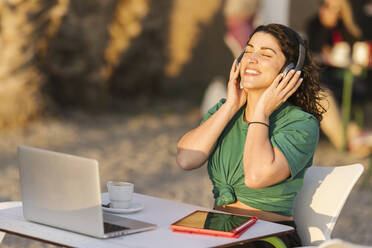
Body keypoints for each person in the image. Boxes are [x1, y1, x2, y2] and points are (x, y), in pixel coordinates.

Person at [177, 24, 325, 247]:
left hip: (267, 238)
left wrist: (262, 112)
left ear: (288, 72)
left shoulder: (301, 123)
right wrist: (230, 106)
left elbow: (256, 177)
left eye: (266, 54)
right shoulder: (225, 110)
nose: (252, 59)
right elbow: (186, 159)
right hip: (220, 232)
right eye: (248, 51)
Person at [306, 0, 372, 154]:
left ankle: (352, 137)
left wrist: (345, 23)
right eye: (325, 5)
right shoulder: (315, 24)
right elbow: (315, 52)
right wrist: (326, 26)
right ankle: (353, 135)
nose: (328, 10)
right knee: (321, 93)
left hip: (354, 80)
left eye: (335, 8)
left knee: (321, 93)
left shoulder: (352, 24)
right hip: (327, 79)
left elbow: (357, 48)